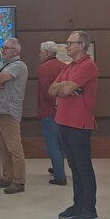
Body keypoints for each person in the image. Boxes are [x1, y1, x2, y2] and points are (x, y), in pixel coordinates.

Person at [51, 31, 100, 219]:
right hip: (63, 120)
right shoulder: (69, 66)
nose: (67, 46)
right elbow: (51, 90)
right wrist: (64, 85)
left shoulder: (88, 65)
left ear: (81, 45)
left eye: (70, 43)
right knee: (73, 166)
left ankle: (89, 210)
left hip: (79, 122)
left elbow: (66, 90)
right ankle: (78, 205)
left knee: (83, 166)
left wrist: (64, 87)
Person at [0, 38, 29, 195]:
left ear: (15, 51)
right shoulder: (2, 64)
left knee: (14, 147)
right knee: (2, 147)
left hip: (9, 111)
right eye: (2, 47)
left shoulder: (18, 65)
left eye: (6, 48)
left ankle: (19, 181)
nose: (3, 50)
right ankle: (7, 177)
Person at [37, 41, 67, 186]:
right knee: (60, 143)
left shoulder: (43, 67)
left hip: (49, 110)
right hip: (63, 110)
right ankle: (58, 168)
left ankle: (59, 176)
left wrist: (54, 104)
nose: (39, 54)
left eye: (40, 51)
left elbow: (46, 90)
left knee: (52, 144)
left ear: (46, 53)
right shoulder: (64, 66)